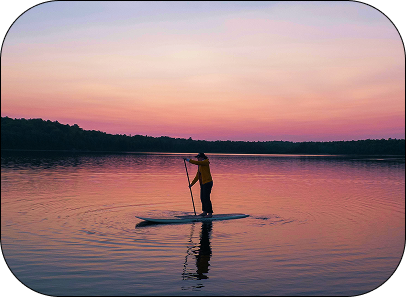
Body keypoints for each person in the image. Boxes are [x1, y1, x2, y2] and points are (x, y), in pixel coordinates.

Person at [184, 153, 213, 218]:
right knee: (202, 198)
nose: (197, 159)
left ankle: (210, 213)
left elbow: (196, 163)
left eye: (198, 157)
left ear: (202, 157)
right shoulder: (200, 165)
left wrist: (188, 160)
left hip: (208, 183)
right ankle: (205, 212)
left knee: (206, 198)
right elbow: (197, 176)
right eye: (197, 158)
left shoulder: (205, 162)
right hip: (203, 183)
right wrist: (191, 184)